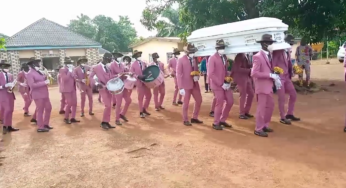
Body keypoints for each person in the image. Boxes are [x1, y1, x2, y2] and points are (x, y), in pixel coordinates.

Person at [251, 34, 282, 137]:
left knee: (270, 106)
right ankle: (258, 129)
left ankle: (265, 124)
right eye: (270, 43)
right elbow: (254, 73)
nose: (271, 45)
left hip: (268, 86)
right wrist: (269, 75)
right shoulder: (257, 56)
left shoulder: (269, 55)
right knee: (261, 108)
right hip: (261, 87)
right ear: (264, 44)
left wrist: (275, 75)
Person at [272, 34, 300, 125]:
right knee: (282, 98)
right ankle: (282, 117)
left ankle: (289, 113)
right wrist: (275, 76)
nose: (291, 45)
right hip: (279, 78)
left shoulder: (287, 51)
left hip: (287, 77)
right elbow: (273, 64)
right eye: (290, 43)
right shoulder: (277, 51)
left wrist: (292, 70)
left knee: (293, 94)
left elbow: (288, 63)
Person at [208, 39, 234, 130]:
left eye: (223, 47)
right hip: (217, 85)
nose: (222, 49)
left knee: (230, 101)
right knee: (220, 102)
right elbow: (211, 73)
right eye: (220, 47)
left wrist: (228, 80)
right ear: (216, 48)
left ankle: (222, 120)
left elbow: (225, 70)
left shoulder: (224, 57)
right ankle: (216, 123)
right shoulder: (212, 58)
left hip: (225, 84)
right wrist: (221, 83)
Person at [176, 43, 203, 125]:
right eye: (191, 52)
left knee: (199, 100)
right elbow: (178, 74)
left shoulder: (194, 59)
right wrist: (180, 87)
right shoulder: (181, 60)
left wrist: (197, 76)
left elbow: (196, 70)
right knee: (186, 103)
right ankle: (185, 119)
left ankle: (194, 117)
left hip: (194, 84)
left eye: (193, 52)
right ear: (186, 52)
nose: (192, 53)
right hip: (185, 84)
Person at [89, 53, 116, 129]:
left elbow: (111, 76)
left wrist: (119, 75)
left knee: (109, 106)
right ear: (106, 58)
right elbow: (90, 77)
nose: (110, 61)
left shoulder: (108, 67)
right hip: (102, 88)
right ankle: (103, 122)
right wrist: (97, 83)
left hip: (109, 88)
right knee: (107, 105)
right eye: (110, 59)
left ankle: (107, 122)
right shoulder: (96, 67)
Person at [26, 57, 53, 132]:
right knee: (40, 110)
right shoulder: (29, 73)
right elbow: (32, 85)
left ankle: (46, 124)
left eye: (38, 63)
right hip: (37, 94)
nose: (38, 64)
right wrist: (44, 83)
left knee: (48, 108)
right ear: (32, 65)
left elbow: (44, 79)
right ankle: (40, 127)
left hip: (45, 93)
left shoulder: (39, 71)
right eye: (36, 63)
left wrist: (47, 76)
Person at [109, 52, 132, 125]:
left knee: (128, 100)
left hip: (123, 85)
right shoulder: (111, 65)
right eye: (118, 56)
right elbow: (110, 76)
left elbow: (124, 72)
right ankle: (117, 119)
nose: (119, 57)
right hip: (116, 85)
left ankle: (122, 114)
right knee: (119, 103)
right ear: (114, 56)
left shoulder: (122, 64)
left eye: (120, 56)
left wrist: (128, 74)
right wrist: (118, 75)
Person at [231, 53, 254, 119]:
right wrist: (250, 70)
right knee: (243, 94)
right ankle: (242, 113)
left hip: (246, 77)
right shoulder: (240, 55)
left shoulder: (247, 55)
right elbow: (237, 69)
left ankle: (246, 111)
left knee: (251, 94)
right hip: (240, 77)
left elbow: (247, 65)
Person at [130, 50, 152, 118]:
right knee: (140, 98)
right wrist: (138, 76)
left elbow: (146, 70)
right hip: (139, 82)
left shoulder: (143, 63)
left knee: (149, 95)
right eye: (138, 55)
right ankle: (141, 112)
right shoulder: (133, 64)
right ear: (135, 56)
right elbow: (131, 73)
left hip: (145, 82)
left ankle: (144, 108)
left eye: (140, 54)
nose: (139, 56)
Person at [0, 60, 19, 134]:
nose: (7, 68)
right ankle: (5, 126)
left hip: (10, 94)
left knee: (11, 110)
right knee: (7, 110)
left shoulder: (10, 75)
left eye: (8, 66)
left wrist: (12, 86)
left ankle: (9, 126)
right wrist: (4, 86)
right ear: (1, 67)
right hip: (3, 95)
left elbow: (11, 85)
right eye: (5, 66)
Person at [59, 57, 80, 124]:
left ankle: (73, 117)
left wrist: (76, 77)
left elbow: (74, 77)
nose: (70, 64)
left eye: (70, 62)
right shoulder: (62, 70)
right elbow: (65, 79)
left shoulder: (72, 69)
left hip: (73, 88)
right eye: (68, 63)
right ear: (65, 63)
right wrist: (69, 72)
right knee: (69, 103)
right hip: (66, 89)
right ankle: (66, 117)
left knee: (74, 103)